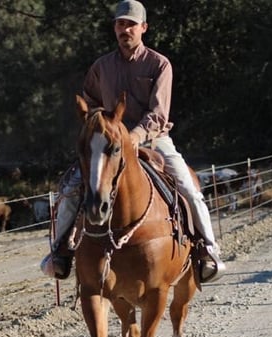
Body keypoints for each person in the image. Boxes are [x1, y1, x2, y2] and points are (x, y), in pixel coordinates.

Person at [41, 0, 225, 283]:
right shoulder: (101, 67)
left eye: (130, 24)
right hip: (108, 144)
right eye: (120, 24)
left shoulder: (159, 64)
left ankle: (207, 250)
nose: (124, 29)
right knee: (71, 188)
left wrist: (135, 136)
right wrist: (99, 128)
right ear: (114, 28)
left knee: (188, 188)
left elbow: (159, 113)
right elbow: (90, 104)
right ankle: (59, 252)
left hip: (153, 140)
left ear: (143, 28)